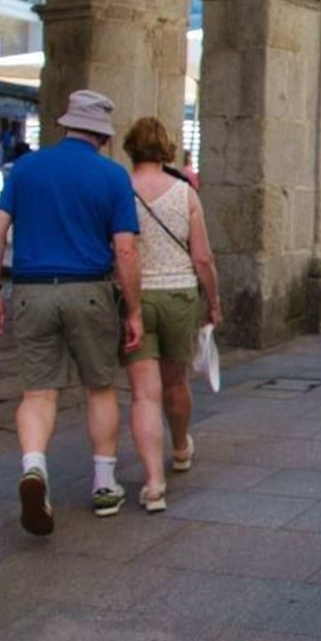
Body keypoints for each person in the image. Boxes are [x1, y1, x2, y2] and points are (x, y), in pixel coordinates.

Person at [0, 89, 144, 536]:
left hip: (33, 290)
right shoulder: (112, 177)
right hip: (89, 291)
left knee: (38, 393)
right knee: (99, 387)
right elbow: (125, 251)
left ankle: (34, 468)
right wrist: (133, 310)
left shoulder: (27, 168)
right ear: (104, 137)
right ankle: (105, 485)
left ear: (65, 125)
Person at [121, 117, 223, 513]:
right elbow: (202, 257)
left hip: (137, 297)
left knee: (143, 395)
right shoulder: (185, 193)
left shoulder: (121, 191)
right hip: (180, 296)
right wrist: (212, 302)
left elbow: (118, 248)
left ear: (130, 147)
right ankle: (180, 447)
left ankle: (153, 484)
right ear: (165, 148)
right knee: (175, 384)